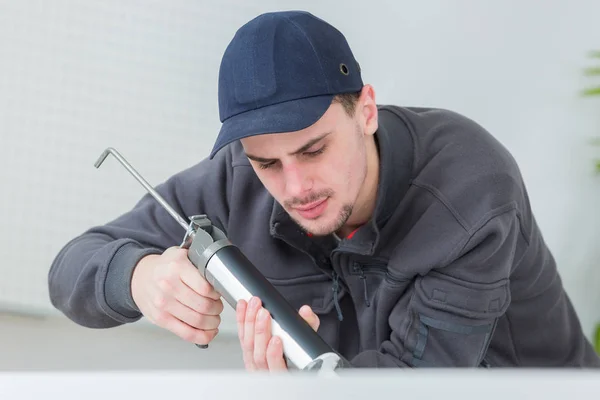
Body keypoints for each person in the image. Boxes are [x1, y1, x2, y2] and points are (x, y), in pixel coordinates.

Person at [48, 10, 600, 370]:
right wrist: (139, 278)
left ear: (365, 110)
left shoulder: (471, 191)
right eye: (267, 162)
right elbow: (72, 268)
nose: (295, 187)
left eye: (314, 150)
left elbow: (421, 383)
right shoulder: (238, 179)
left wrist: (306, 383)